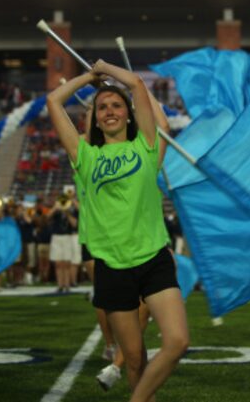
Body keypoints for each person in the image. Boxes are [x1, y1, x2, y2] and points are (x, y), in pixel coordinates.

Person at [47, 60, 188, 402]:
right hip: (112, 268)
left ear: (128, 114)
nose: (109, 111)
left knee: (178, 342)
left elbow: (138, 85)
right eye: (103, 107)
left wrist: (108, 70)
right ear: (94, 117)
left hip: (154, 258)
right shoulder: (85, 156)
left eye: (116, 105)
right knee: (135, 359)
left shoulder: (146, 146)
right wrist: (89, 79)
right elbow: (54, 101)